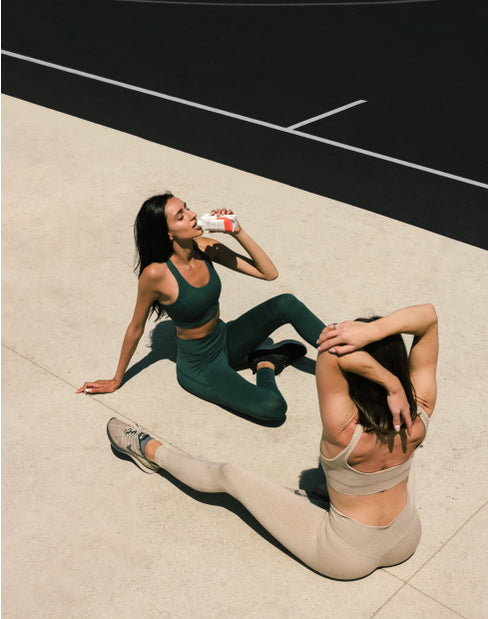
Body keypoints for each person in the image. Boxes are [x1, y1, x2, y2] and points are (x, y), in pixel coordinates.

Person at [106, 303, 438, 580]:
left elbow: (329, 350)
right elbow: (428, 317)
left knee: (230, 474)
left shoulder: (344, 428)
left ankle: (147, 448)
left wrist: (388, 381)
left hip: (345, 555)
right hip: (406, 537)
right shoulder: (420, 412)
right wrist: (379, 335)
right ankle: (332, 491)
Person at [77, 193, 325, 423]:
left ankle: (342, 353)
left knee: (286, 303)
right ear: (168, 234)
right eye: (181, 216)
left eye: (187, 208)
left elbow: (269, 273)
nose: (192, 214)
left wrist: (237, 231)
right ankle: (265, 364)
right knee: (273, 407)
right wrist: (116, 379)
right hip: (201, 366)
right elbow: (136, 327)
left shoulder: (205, 247)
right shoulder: (156, 274)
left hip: (225, 337)